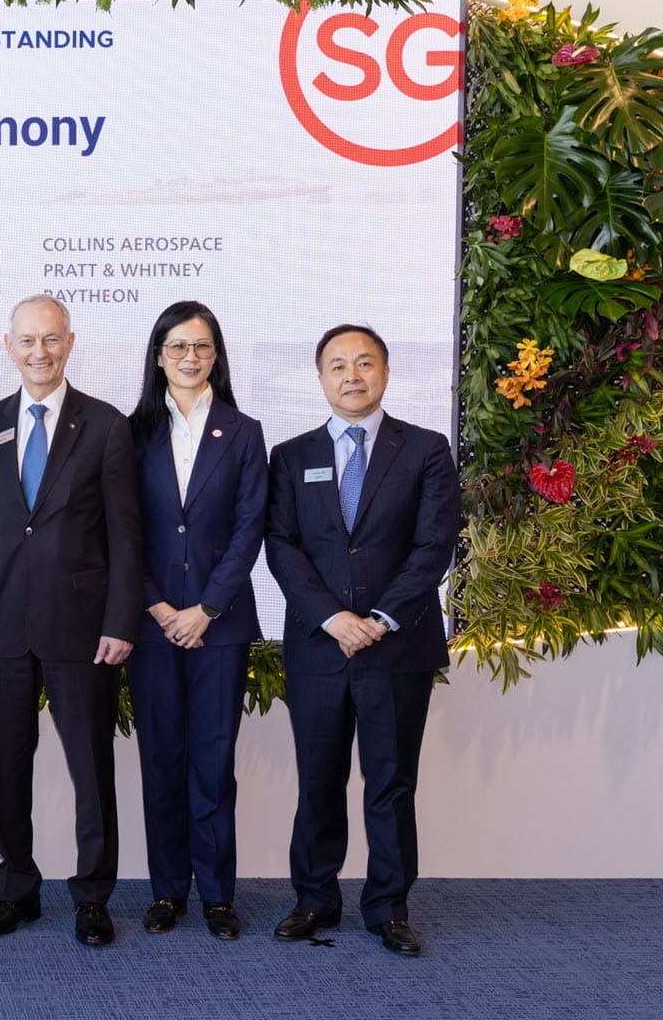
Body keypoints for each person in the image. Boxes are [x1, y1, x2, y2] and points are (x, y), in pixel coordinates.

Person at [264, 324, 458, 957]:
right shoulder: (291, 456)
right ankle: (314, 899)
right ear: (321, 377)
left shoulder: (425, 450)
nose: (352, 375)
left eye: (365, 363)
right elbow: (282, 547)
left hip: (396, 647)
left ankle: (389, 907)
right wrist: (332, 618)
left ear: (385, 372)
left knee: (391, 782)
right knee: (317, 780)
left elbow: (435, 545)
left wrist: (378, 619)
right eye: (338, 365)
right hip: (318, 648)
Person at [0, 293, 141, 948]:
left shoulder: (106, 426)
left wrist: (121, 620)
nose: (40, 352)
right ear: (9, 346)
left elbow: (126, 535)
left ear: (70, 343)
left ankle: (92, 896)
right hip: (1, 623)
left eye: (52, 339)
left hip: (83, 628)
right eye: (28, 340)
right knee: (7, 764)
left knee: (90, 767)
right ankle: (16, 889)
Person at [125, 301, 267, 941]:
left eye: (202, 346)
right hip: (152, 624)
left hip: (220, 625)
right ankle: (166, 890)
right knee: (161, 758)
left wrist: (206, 607)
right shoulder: (130, 432)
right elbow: (121, 531)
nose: (190, 357)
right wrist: (158, 606)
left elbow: (249, 529)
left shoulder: (243, 431)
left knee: (212, 759)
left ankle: (216, 895)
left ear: (217, 356)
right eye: (178, 346)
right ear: (159, 356)